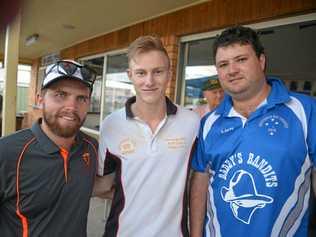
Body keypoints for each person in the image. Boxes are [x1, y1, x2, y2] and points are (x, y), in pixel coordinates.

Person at [190, 26, 316, 237]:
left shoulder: (305, 110)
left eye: (241, 59)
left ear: (261, 61)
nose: (231, 70)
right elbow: (201, 182)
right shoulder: (210, 122)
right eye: (223, 64)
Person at [97, 35, 200, 237]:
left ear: (169, 74)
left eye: (158, 72)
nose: (149, 81)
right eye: (141, 73)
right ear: (130, 75)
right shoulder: (111, 125)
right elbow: (103, 185)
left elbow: (200, 179)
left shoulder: (191, 123)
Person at [0, 60, 99, 236]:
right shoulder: (6, 152)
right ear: (40, 99)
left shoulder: (91, 147)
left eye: (81, 98)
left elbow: (101, 185)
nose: (71, 107)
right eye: (60, 95)